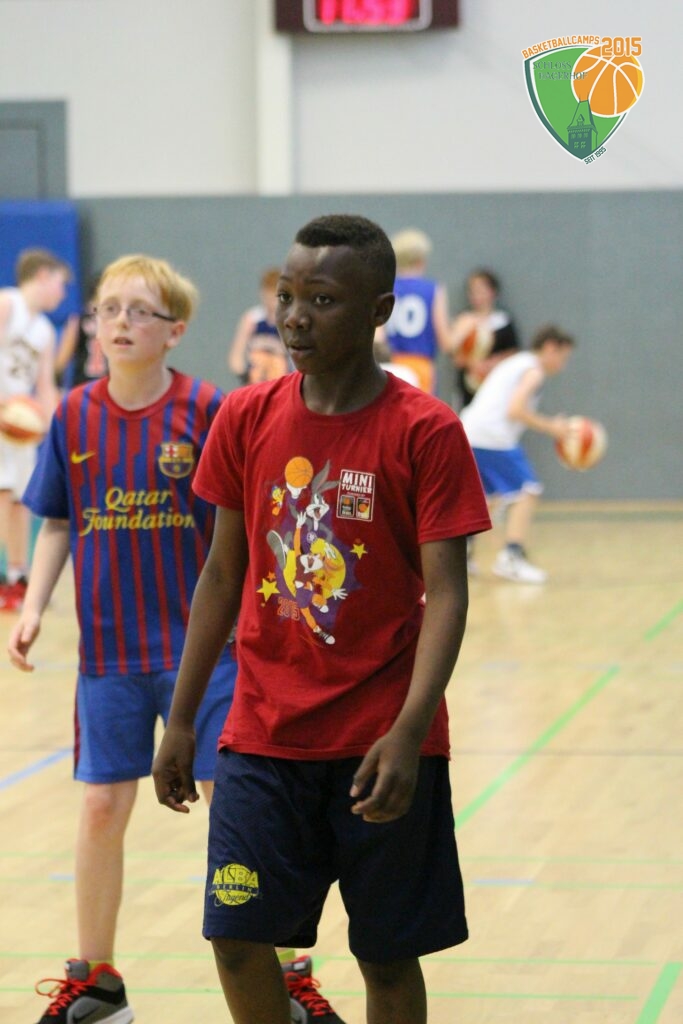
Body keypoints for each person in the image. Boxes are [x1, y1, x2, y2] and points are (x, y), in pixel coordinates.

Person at [152, 214, 492, 1024]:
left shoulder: (426, 430)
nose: (296, 317)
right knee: (236, 938)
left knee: (385, 957)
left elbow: (446, 593)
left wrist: (409, 732)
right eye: (288, 296)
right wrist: (182, 719)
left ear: (379, 310)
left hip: (380, 740)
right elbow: (222, 574)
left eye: (323, 300)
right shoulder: (244, 416)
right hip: (262, 735)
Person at [6, 255, 239, 1024]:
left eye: (140, 311)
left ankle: (278, 968)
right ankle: (100, 982)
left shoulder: (207, 410)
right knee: (102, 807)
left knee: (236, 806)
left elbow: (240, 525)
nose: (120, 323)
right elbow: (57, 520)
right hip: (108, 656)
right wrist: (33, 604)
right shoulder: (74, 414)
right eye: (108, 309)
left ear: (175, 330)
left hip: (204, 654)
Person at [460, 324, 575, 584]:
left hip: (469, 432)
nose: (563, 365)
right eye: (563, 357)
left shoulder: (516, 362)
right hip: (491, 436)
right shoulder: (533, 370)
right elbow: (515, 409)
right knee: (528, 491)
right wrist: (553, 427)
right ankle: (512, 557)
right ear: (550, 348)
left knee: (485, 498)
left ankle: (462, 555)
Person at [0, 248, 69, 612]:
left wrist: (55, 425)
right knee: (2, 493)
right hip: (4, 411)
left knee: (19, 500)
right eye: (60, 283)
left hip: (18, 422)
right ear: (42, 275)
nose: (62, 292)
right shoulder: (7, 303)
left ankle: (17, 574)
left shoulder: (44, 330)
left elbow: (44, 385)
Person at [383, 228, 451, 394]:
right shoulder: (432, 289)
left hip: (390, 363)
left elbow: (378, 336)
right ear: (421, 260)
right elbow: (446, 342)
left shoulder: (385, 288)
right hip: (420, 365)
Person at [451, 268, 519, 410]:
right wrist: (473, 364)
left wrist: (492, 364)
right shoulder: (464, 321)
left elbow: (513, 353)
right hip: (468, 389)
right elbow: (455, 355)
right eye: (473, 291)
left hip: (496, 385)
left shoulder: (503, 321)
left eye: (481, 290)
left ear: (492, 292)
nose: (477, 296)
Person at [227, 265, 290, 384]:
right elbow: (236, 356)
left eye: (274, 297)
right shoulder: (252, 319)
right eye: (267, 296)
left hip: (280, 384)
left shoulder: (288, 322)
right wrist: (245, 376)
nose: (271, 302)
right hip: (254, 383)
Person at [55, 273, 107, 389]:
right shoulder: (116, 320)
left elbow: (62, 361)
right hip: (100, 387)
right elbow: (62, 360)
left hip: (86, 387)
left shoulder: (77, 319)